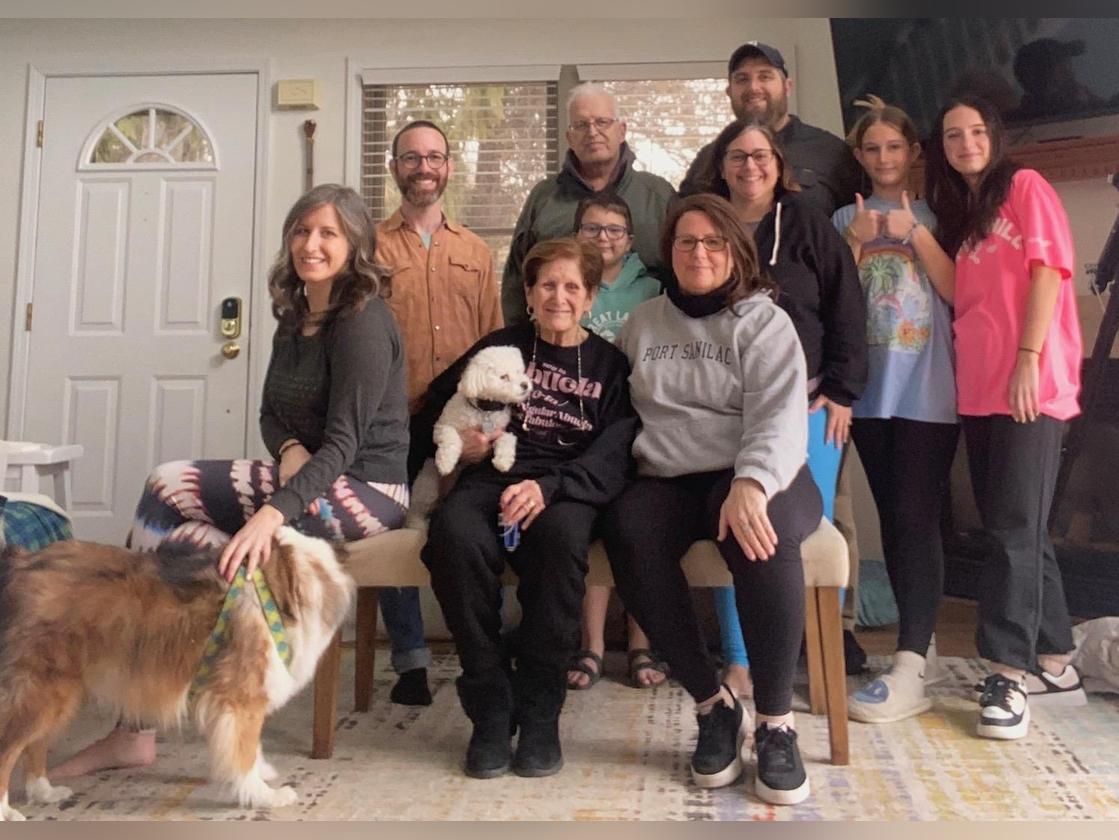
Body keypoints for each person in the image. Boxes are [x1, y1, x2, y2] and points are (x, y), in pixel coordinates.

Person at [48, 183, 411, 778]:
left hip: (366, 491)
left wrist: (271, 514)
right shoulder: (295, 314)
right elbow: (270, 413)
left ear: (356, 246)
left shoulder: (363, 322)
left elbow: (345, 444)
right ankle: (185, 706)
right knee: (188, 543)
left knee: (168, 487)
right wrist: (289, 448)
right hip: (312, 475)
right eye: (301, 231)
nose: (311, 245)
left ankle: (142, 719)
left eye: (328, 233)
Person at [603, 194, 823, 806]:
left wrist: (751, 483)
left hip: (758, 470)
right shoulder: (642, 323)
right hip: (670, 475)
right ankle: (713, 704)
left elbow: (780, 418)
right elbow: (618, 413)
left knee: (760, 533)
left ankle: (775, 723)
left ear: (735, 251)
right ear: (669, 251)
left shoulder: (765, 322)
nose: (698, 253)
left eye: (712, 242)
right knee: (626, 529)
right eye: (686, 242)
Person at [416, 238, 637, 779]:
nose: (559, 297)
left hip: (564, 488)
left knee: (561, 541)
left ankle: (540, 713)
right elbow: (433, 411)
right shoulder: (501, 347)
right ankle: (490, 706)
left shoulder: (609, 366)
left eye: (572, 287)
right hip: (491, 477)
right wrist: (464, 445)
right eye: (547, 285)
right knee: (452, 536)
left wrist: (551, 486)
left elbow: (616, 452)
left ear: (590, 297)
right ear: (530, 294)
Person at [926, 95, 1086, 739]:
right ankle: (1057, 661)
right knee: (1016, 526)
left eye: (975, 131)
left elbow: (1049, 273)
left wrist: (1028, 358)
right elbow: (957, 291)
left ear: (994, 136)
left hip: (1029, 384)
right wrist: (912, 233)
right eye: (952, 135)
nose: (965, 143)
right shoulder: (966, 214)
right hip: (981, 389)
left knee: (1013, 529)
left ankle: (1007, 672)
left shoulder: (1026, 186)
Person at [695, 119, 866, 700]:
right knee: (736, 522)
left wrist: (842, 391)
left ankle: (817, 657)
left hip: (811, 406)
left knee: (808, 536)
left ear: (779, 164)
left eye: (760, 155)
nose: (750, 166)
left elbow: (847, 306)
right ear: (721, 166)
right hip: (727, 410)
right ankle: (740, 660)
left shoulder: (809, 225)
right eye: (737, 155)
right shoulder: (706, 227)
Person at [831, 96, 958, 723]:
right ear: (859, 156)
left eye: (894, 147)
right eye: (872, 148)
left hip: (928, 390)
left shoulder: (941, 214)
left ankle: (910, 661)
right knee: (894, 517)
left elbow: (958, 289)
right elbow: (834, 302)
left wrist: (915, 233)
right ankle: (920, 644)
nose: (884, 158)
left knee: (915, 516)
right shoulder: (842, 219)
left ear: (913, 153)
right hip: (868, 393)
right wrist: (856, 244)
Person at [375, 119, 504, 706]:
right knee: (392, 531)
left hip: (462, 421)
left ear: (449, 167)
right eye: (411, 157)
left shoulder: (474, 251)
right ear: (394, 167)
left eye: (434, 157)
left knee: (466, 532)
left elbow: (493, 342)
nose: (423, 167)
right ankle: (410, 662)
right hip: (390, 420)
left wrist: (489, 426)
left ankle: (484, 651)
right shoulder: (369, 249)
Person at [563, 193, 665, 691]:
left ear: (630, 238)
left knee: (640, 530)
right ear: (576, 233)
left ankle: (642, 641)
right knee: (592, 527)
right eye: (592, 228)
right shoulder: (567, 284)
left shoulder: (653, 289)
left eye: (613, 230)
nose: (603, 238)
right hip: (582, 425)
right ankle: (593, 645)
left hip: (644, 423)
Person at [501, 82, 675, 324]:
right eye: (581, 125)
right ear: (569, 137)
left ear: (622, 130)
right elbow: (516, 281)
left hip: (644, 337)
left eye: (602, 122)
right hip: (557, 339)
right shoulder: (544, 198)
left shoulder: (657, 196)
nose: (592, 132)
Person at [680, 42, 862, 218]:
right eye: (742, 79)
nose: (753, 87)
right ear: (729, 92)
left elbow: (858, 217)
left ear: (787, 87)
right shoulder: (709, 158)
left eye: (765, 77)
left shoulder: (831, 152)